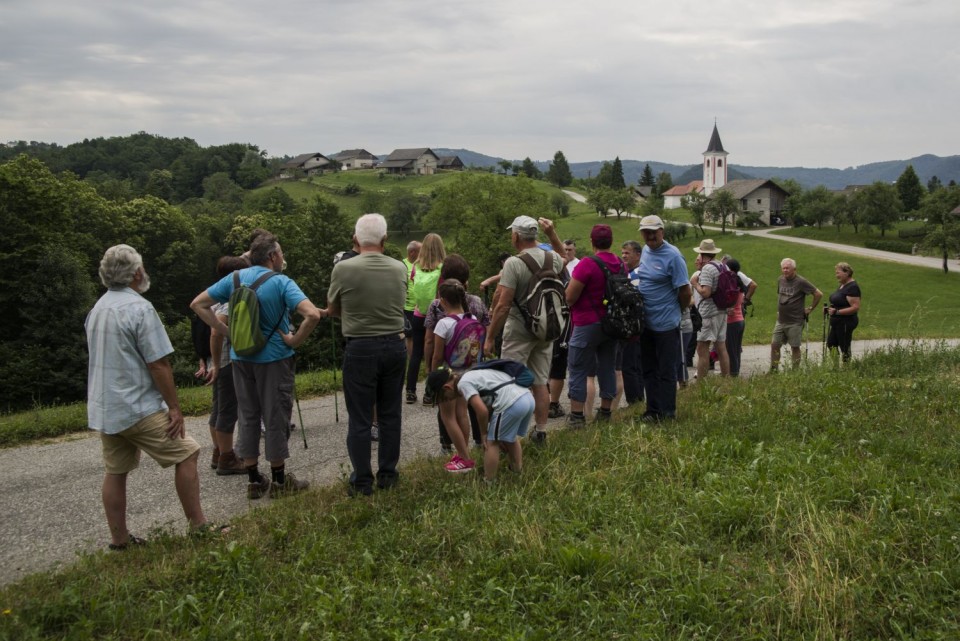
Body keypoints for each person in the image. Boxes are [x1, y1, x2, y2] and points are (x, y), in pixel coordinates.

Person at [86, 245, 216, 549]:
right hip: (137, 406)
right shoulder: (139, 308)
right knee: (187, 453)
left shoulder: (97, 309)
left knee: (115, 471)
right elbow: (158, 363)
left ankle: (119, 541)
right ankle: (198, 527)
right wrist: (174, 407)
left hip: (108, 407)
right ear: (136, 273)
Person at [191, 231, 322, 500]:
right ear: (273, 256)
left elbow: (198, 304)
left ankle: (253, 480)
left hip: (241, 358)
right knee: (275, 415)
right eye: (281, 253)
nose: (282, 257)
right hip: (274, 359)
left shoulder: (234, 278)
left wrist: (224, 331)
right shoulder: (282, 282)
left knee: (248, 415)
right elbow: (311, 315)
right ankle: (279, 480)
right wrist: (295, 340)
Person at [324, 213, 407, 496]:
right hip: (396, 345)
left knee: (359, 417)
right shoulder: (399, 268)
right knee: (390, 414)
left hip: (359, 346)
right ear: (385, 240)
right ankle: (388, 474)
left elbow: (333, 309)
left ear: (355, 240)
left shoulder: (343, 268)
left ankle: (361, 481)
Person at [484, 216, 564, 443]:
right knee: (540, 382)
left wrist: (490, 337)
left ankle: (510, 435)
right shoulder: (552, 259)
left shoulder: (514, 263)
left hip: (519, 330)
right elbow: (566, 258)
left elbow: (503, 305)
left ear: (516, 236)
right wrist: (553, 234)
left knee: (511, 382)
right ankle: (540, 430)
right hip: (545, 329)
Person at [425, 254, 489, 453]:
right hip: (472, 367)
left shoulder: (437, 307)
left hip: (449, 370)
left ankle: (451, 449)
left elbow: (430, 343)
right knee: (466, 410)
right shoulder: (476, 303)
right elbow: (485, 327)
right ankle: (475, 445)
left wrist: (431, 372)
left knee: (447, 413)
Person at [425, 367, 534, 482]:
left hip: (512, 403)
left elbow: (482, 411)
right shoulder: (470, 375)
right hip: (526, 397)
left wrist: (484, 434)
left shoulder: (463, 384)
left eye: (446, 398)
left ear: (447, 387)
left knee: (491, 442)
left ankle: (489, 481)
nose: (449, 400)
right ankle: (517, 472)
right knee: (510, 438)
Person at [564, 224, 623, 427]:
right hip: (612, 324)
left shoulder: (587, 264)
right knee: (607, 367)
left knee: (578, 368)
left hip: (586, 324)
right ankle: (605, 411)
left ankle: (577, 417)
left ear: (592, 242)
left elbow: (570, 297)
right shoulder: (620, 263)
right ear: (611, 241)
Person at [636, 215, 692, 422]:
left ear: (662, 231)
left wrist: (677, 311)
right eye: (646, 232)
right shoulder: (645, 252)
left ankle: (668, 413)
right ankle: (652, 410)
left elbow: (685, 291)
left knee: (667, 370)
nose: (650, 235)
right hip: (646, 322)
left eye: (654, 231)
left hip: (667, 323)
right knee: (649, 368)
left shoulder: (674, 256)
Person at [429, 279, 484, 472]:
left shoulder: (443, 324)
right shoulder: (473, 319)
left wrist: (432, 375)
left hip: (449, 376)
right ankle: (463, 453)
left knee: (448, 417)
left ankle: (464, 458)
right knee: (462, 413)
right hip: (468, 374)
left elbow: (436, 355)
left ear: (443, 300)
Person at [206, 255, 250, 475]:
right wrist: (216, 363)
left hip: (219, 362)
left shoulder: (215, 296)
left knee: (218, 407)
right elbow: (216, 330)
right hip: (226, 362)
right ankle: (227, 458)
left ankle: (218, 452)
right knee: (228, 410)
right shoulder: (228, 299)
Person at [407, 233, 446, 405]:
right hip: (436, 316)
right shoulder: (443, 268)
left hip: (417, 314)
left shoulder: (416, 266)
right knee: (435, 354)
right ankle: (429, 393)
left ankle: (410, 391)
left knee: (416, 353)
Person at [771, 258, 823, 370]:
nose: (785, 270)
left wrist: (810, 308)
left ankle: (795, 371)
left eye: (787, 268)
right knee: (775, 345)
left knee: (794, 347)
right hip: (781, 320)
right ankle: (773, 370)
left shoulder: (801, 282)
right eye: (783, 268)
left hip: (795, 321)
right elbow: (780, 295)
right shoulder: (780, 280)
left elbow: (818, 294)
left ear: (794, 269)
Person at [690, 239, 731, 379]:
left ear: (702, 254)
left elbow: (706, 293)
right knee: (721, 346)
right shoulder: (723, 266)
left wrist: (695, 284)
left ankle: (701, 383)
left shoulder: (708, 269)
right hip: (722, 311)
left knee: (702, 347)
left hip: (708, 313)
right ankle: (727, 379)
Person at [619, 240, 644, 405]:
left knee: (629, 365)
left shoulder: (635, 275)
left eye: (627, 253)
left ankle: (634, 401)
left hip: (634, 325)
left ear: (638, 254)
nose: (623, 256)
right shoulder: (636, 272)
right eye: (622, 253)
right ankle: (639, 399)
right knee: (637, 364)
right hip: (640, 325)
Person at [826, 262, 861, 362]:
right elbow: (840, 301)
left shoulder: (852, 287)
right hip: (837, 322)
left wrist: (837, 312)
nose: (836, 275)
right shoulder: (843, 285)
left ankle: (846, 370)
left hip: (846, 322)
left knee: (844, 346)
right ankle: (836, 367)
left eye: (838, 273)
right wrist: (830, 309)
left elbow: (855, 307)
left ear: (847, 273)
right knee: (831, 344)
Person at [724, 258, 750, 376]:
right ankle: (735, 371)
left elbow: (731, 302)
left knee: (731, 350)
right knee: (736, 349)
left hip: (732, 321)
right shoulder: (738, 282)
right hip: (740, 320)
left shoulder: (732, 283)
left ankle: (733, 373)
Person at [402, 240, 422, 357]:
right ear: (412, 252)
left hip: (422, 306)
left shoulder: (422, 264)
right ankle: (412, 359)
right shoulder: (402, 265)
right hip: (408, 306)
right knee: (410, 335)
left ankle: (421, 359)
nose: (423, 253)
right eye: (420, 251)